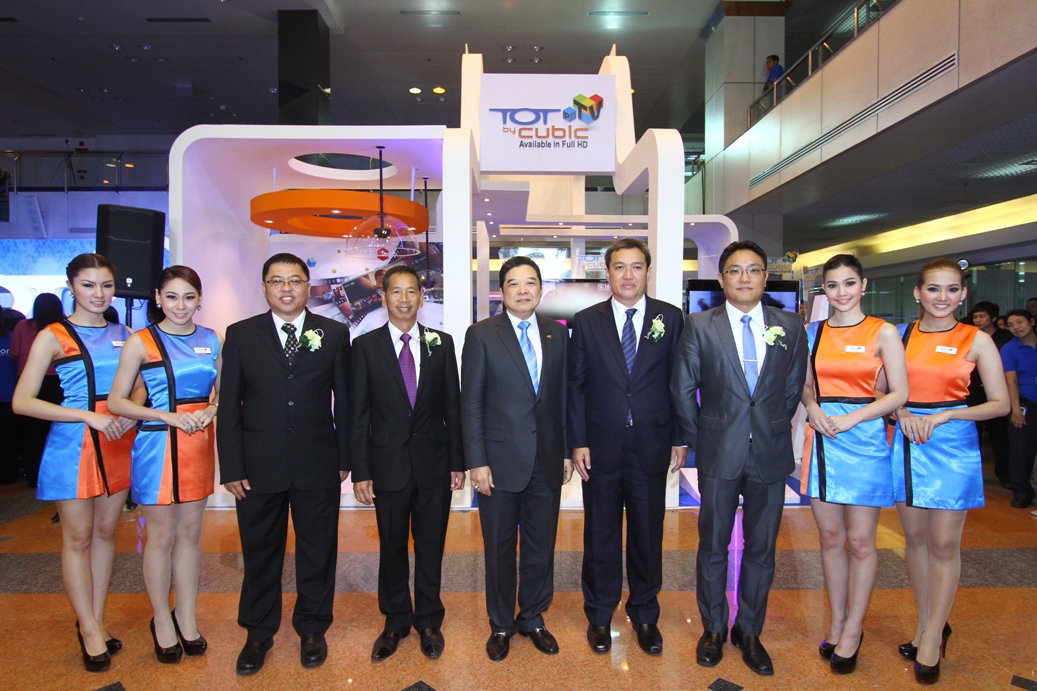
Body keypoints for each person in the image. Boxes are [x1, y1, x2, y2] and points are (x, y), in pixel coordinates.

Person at [670, 240, 808, 677]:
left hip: (770, 451)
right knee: (712, 545)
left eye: (753, 270)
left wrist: (769, 425)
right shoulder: (699, 325)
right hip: (718, 451)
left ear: (766, 277)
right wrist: (703, 439)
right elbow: (682, 388)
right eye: (734, 270)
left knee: (761, 548)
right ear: (722, 278)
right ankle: (713, 628)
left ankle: (749, 631)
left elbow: (792, 387)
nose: (744, 277)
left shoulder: (791, 325)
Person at [216, 252, 350, 676]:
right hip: (258, 466)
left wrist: (345, 457)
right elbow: (229, 405)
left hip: (318, 462)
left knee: (318, 552)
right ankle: (258, 633)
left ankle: (313, 628)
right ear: (264, 288)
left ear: (308, 286)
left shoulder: (333, 333)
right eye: (277, 281)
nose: (286, 288)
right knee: (259, 553)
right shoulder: (240, 335)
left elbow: (346, 401)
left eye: (295, 280)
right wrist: (231, 466)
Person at [11, 253, 137, 673]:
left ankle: (95, 621)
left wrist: (127, 414)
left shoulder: (126, 333)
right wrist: (88, 415)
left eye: (106, 285)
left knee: (106, 533)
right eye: (88, 285)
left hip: (116, 439)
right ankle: (87, 627)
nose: (99, 294)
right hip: (73, 444)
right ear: (71, 287)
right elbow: (22, 401)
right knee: (78, 537)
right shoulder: (53, 335)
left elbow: (140, 386)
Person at [891, 258, 1008, 684]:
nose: (943, 297)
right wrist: (901, 412)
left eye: (952, 289)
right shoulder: (898, 335)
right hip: (907, 440)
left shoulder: (977, 339)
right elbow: (880, 389)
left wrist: (948, 415)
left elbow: (1000, 404)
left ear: (963, 294)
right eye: (934, 289)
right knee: (915, 540)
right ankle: (929, 626)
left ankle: (931, 637)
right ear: (918, 293)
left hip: (953, 443)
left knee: (943, 543)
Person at [567, 238, 686, 656]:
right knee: (600, 535)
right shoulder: (586, 321)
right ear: (608, 273)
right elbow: (576, 385)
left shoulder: (671, 318)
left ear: (647, 271)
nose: (628, 275)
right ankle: (599, 615)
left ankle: (645, 614)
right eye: (620, 267)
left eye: (636, 266)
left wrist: (680, 436)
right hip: (600, 445)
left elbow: (680, 382)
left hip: (652, 442)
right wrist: (578, 441)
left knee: (647, 534)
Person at [349, 264, 465, 661]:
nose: (403, 299)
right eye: (395, 291)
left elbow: (453, 406)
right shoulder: (365, 347)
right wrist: (361, 470)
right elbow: (358, 414)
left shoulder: (441, 343)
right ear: (383, 297)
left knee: (431, 545)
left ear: (421, 297)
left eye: (411, 291)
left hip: (434, 463)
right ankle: (395, 620)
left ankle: (429, 619)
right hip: (387, 465)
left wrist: (458, 462)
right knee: (392, 546)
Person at [799, 254, 908, 674]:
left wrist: (854, 418)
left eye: (849, 283)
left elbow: (899, 393)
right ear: (824, 290)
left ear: (863, 285)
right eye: (832, 285)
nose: (841, 292)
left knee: (861, 542)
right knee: (830, 538)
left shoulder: (884, 332)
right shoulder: (813, 331)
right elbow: (805, 385)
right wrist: (812, 408)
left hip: (864, 440)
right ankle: (837, 621)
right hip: (823, 440)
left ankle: (854, 630)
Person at [107, 266, 222, 663]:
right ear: (157, 298)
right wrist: (166, 415)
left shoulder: (213, 339)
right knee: (159, 537)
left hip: (198, 446)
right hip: (156, 447)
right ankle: (161, 619)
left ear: (199, 299)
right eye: (172, 296)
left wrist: (211, 410)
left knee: (190, 535)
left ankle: (186, 616)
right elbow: (117, 401)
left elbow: (224, 394)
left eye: (189, 297)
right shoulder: (140, 341)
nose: (180, 305)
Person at [461, 255, 572, 662]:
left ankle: (533, 618)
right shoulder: (481, 334)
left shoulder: (557, 333)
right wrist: (477, 461)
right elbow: (471, 403)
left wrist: (565, 451)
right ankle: (501, 623)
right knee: (499, 548)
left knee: (541, 546)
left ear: (541, 289)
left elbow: (562, 399)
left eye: (530, 283)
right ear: (502, 291)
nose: (523, 290)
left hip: (547, 460)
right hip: (498, 462)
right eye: (513, 283)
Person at [10, 292, 65, 487]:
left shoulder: (23, 326)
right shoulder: (65, 328)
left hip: (30, 381)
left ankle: (34, 477)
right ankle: (58, 476)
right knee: (60, 430)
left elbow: (14, 353)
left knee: (31, 433)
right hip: (60, 383)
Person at [969, 301, 1012, 487]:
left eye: (982, 316)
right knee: (973, 434)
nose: (978, 320)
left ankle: (1005, 475)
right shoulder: (969, 337)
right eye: (975, 317)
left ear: (993, 318)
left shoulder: (1006, 338)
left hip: (997, 390)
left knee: (1000, 436)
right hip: (973, 390)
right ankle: (973, 474)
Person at [1000, 309, 1037, 509]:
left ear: (1031, 322)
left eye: (1020, 322)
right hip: (1024, 403)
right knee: (1021, 451)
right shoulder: (1009, 349)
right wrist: (1015, 410)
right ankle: (1022, 492)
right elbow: (1011, 381)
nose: (1016, 327)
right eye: (1011, 324)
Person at [0, 316, 17, 484]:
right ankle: (9, 475)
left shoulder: (11, 338)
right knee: (8, 438)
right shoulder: (11, 338)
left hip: (9, 395)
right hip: (9, 395)